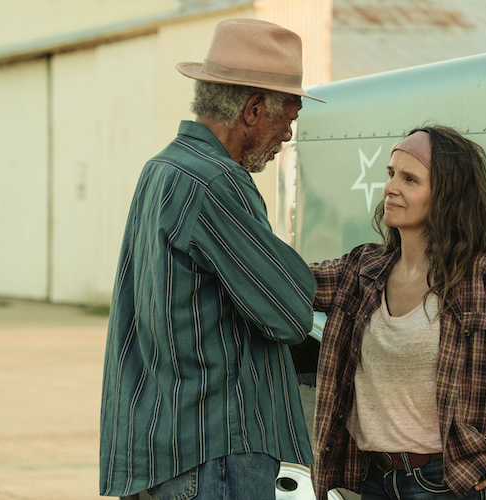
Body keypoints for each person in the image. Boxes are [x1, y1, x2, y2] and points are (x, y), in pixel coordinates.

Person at [99, 18, 325, 500]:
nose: (288, 133)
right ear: (253, 109)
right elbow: (288, 314)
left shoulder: (162, 169)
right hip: (214, 452)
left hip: (168, 445)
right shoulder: (214, 182)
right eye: (288, 115)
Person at [309, 126, 486, 500]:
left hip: (452, 483)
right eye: (391, 174)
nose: (391, 187)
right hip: (374, 481)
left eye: (410, 179)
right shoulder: (363, 269)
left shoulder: (484, 277)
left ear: (446, 196)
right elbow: (286, 280)